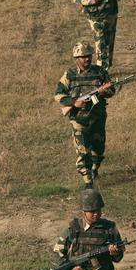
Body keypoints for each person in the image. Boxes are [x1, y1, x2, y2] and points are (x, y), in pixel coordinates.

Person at [55, 41, 116, 188]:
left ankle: (95, 169)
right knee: (83, 151)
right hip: (79, 120)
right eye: (83, 56)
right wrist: (74, 102)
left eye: (89, 56)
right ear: (77, 58)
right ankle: (88, 182)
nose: (87, 59)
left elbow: (111, 91)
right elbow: (58, 95)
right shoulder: (69, 75)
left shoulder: (100, 72)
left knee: (98, 149)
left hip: (98, 117)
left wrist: (104, 91)